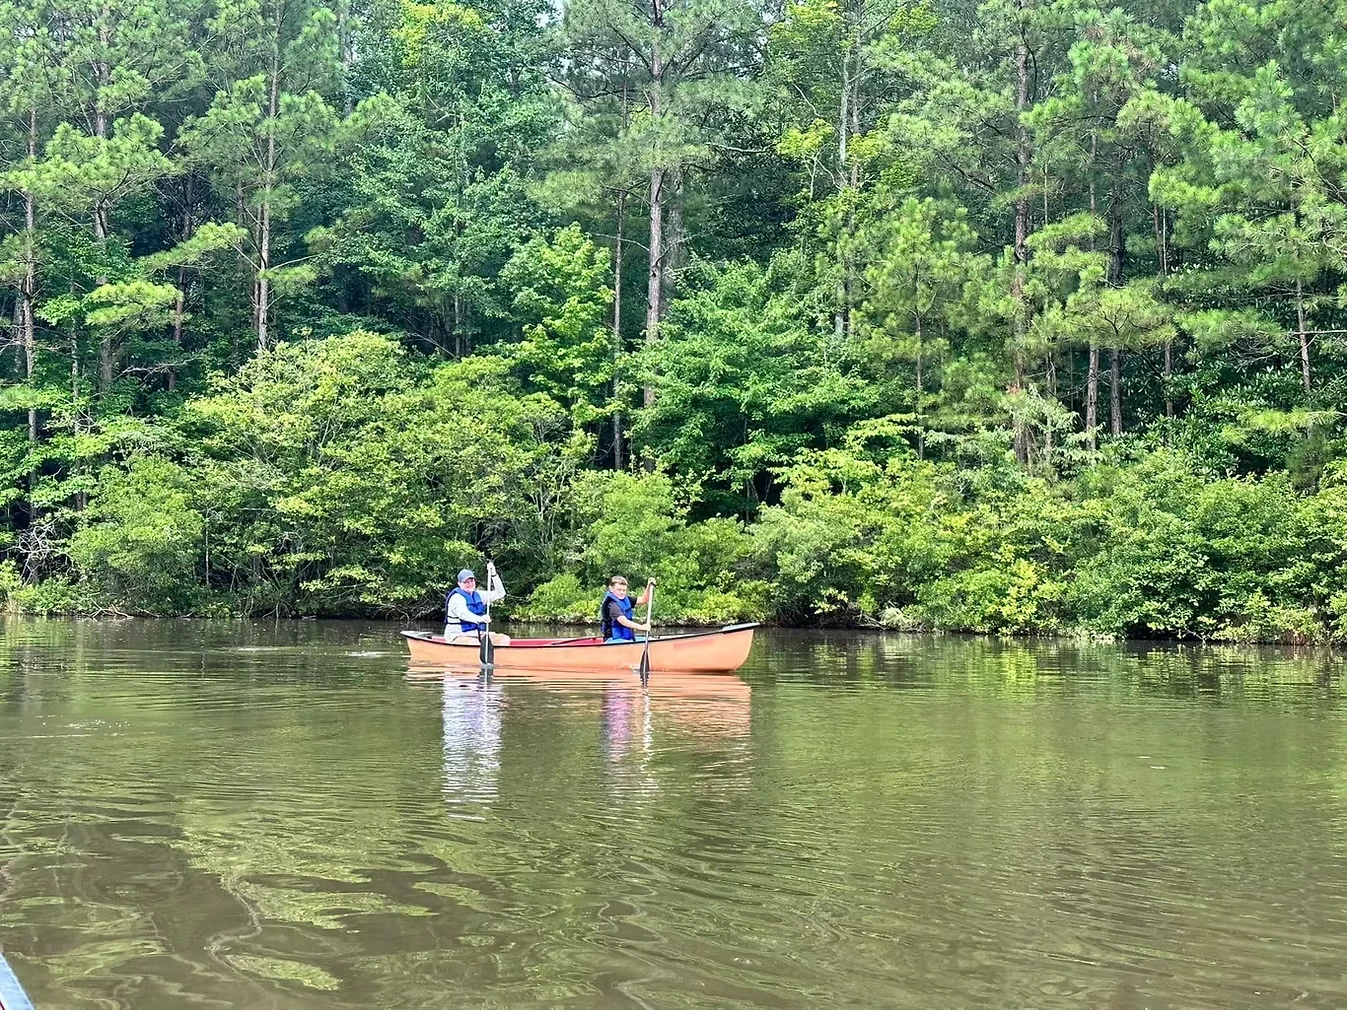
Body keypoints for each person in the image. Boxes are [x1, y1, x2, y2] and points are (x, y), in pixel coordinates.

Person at [444, 564, 510, 646]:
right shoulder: (456, 598)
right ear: (459, 584)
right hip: (458, 635)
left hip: (477, 634)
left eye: (471, 581)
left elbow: (500, 593)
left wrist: (494, 574)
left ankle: (500, 657)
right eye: (466, 582)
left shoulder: (479, 595)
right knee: (474, 643)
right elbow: (463, 614)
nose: (470, 584)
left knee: (504, 639)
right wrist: (480, 619)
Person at [600, 576, 654, 644]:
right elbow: (623, 621)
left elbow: (644, 599)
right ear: (611, 589)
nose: (622, 592)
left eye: (624, 590)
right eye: (619, 590)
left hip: (626, 638)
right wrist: (641, 627)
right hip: (612, 640)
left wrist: (648, 586)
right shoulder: (612, 605)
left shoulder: (626, 600)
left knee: (650, 640)